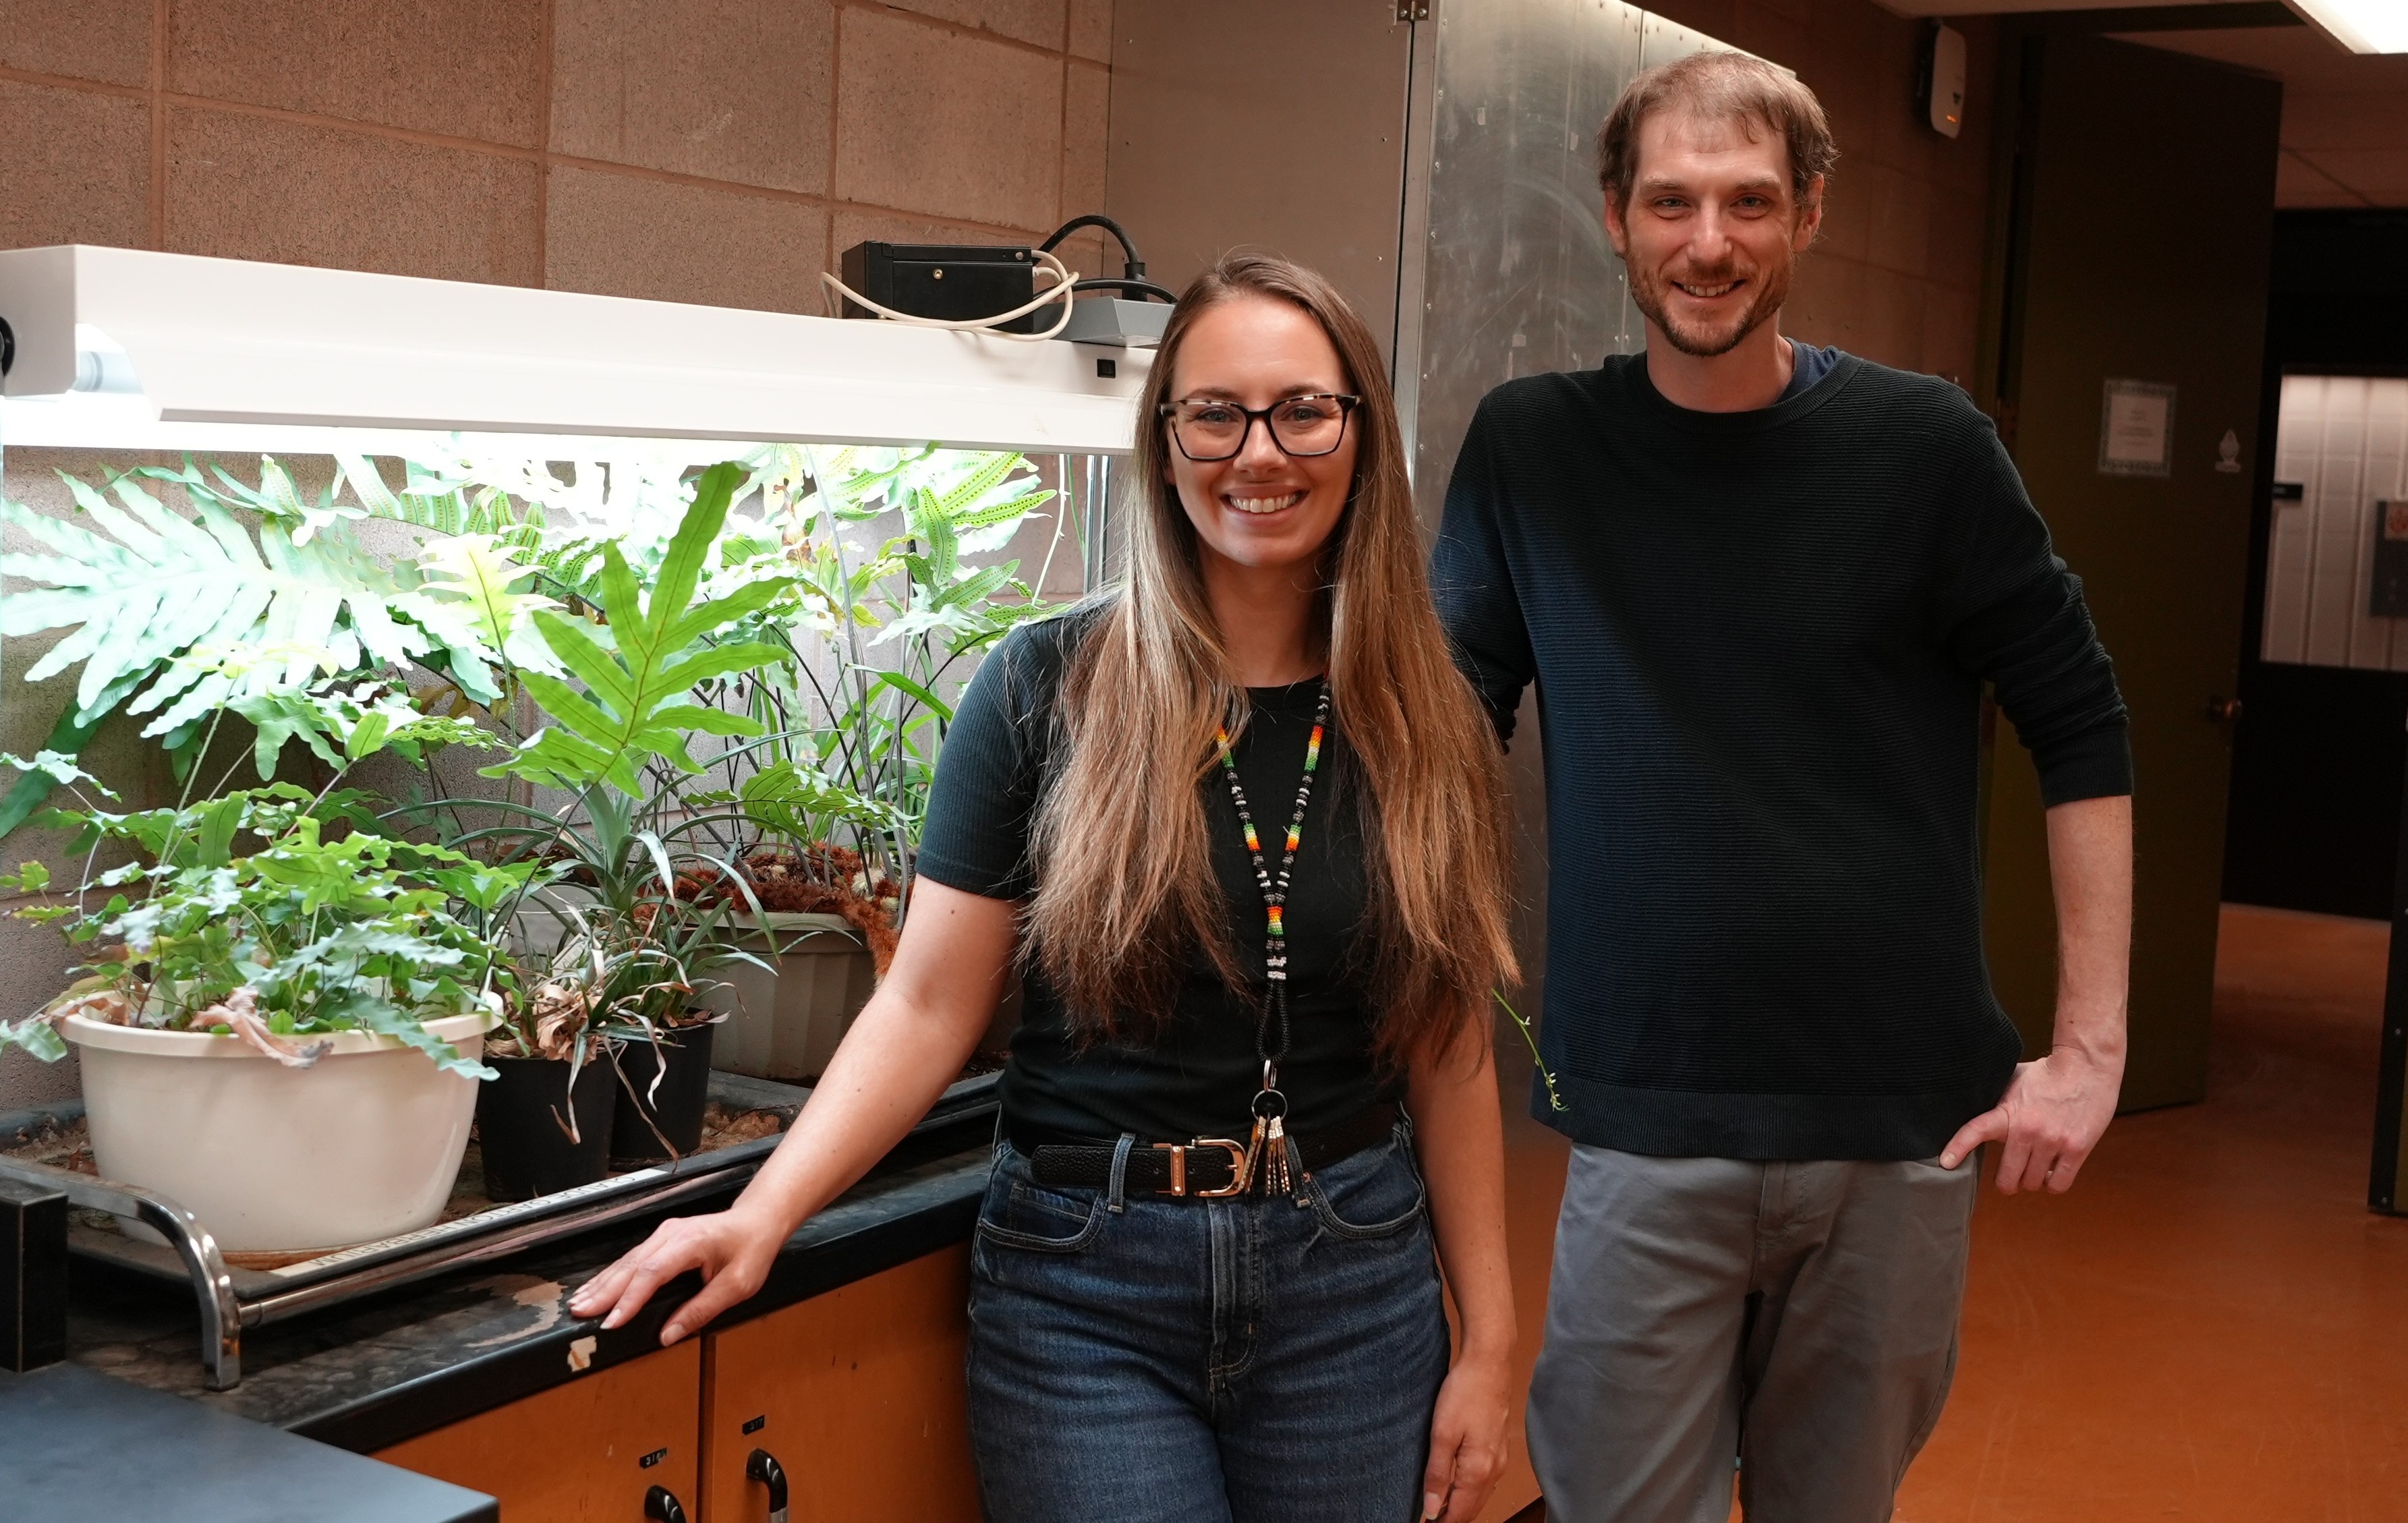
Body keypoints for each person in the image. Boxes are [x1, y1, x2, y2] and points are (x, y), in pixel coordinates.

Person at [573, 252, 1524, 1523]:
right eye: (1214, 412)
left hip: (1349, 1280)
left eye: (1303, 408)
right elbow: (924, 1005)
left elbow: (1445, 1037)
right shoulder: (1046, 683)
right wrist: (759, 1215)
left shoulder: (1421, 714)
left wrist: (1493, 1339)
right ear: (1166, 437)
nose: (1260, 452)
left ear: (1359, 432)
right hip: (1089, 1284)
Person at [1430, 52, 2135, 1523]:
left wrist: (2090, 1049)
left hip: (1898, 1133)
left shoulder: (1929, 450)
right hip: (1644, 1117)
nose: (1709, 243)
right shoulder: (1535, 450)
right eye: (1673, 201)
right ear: (1615, 216)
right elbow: (1440, 728)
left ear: (1808, 215)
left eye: (1750, 201)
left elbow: (2081, 723)